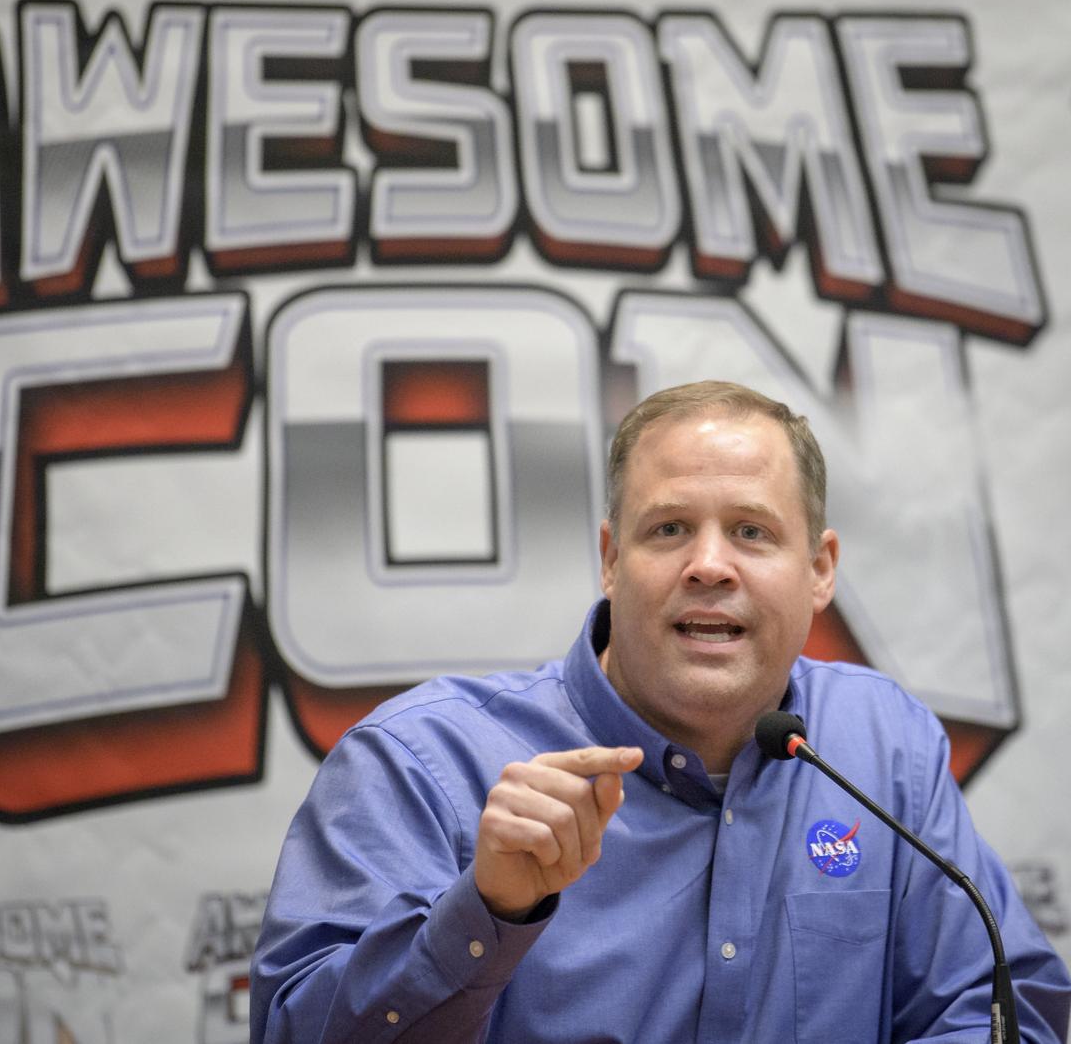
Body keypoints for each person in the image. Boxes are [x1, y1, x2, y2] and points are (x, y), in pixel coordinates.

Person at [250, 380, 1070, 1043]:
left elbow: (1002, 1007)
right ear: (611, 559)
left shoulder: (881, 743)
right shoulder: (422, 762)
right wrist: (487, 912)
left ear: (819, 570)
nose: (709, 565)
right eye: (670, 528)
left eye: (751, 531)